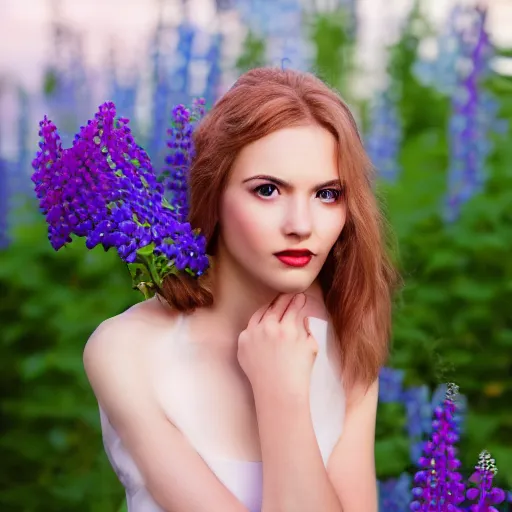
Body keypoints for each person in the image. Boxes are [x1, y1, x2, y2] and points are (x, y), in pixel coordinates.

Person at [83, 67, 399, 512]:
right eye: (268, 190)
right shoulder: (127, 349)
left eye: (327, 194)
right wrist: (282, 394)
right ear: (214, 194)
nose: (301, 226)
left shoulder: (347, 328)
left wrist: (283, 391)